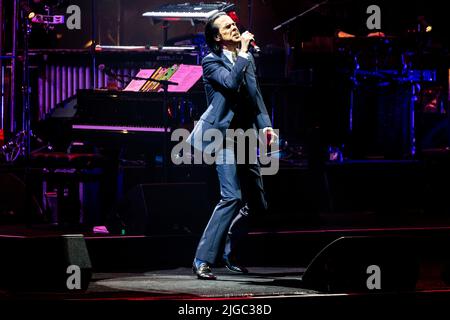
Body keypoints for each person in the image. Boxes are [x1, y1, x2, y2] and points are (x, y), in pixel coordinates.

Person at [187, 12, 277, 280]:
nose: (235, 28)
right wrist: (245, 53)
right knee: (232, 196)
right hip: (222, 136)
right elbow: (230, 82)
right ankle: (202, 259)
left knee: (257, 203)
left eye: (234, 24)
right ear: (217, 37)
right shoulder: (211, 61)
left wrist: (266, 125)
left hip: (246, 135)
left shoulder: (245, 60)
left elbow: (254, 93)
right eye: (228, 27)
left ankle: (228, 250)